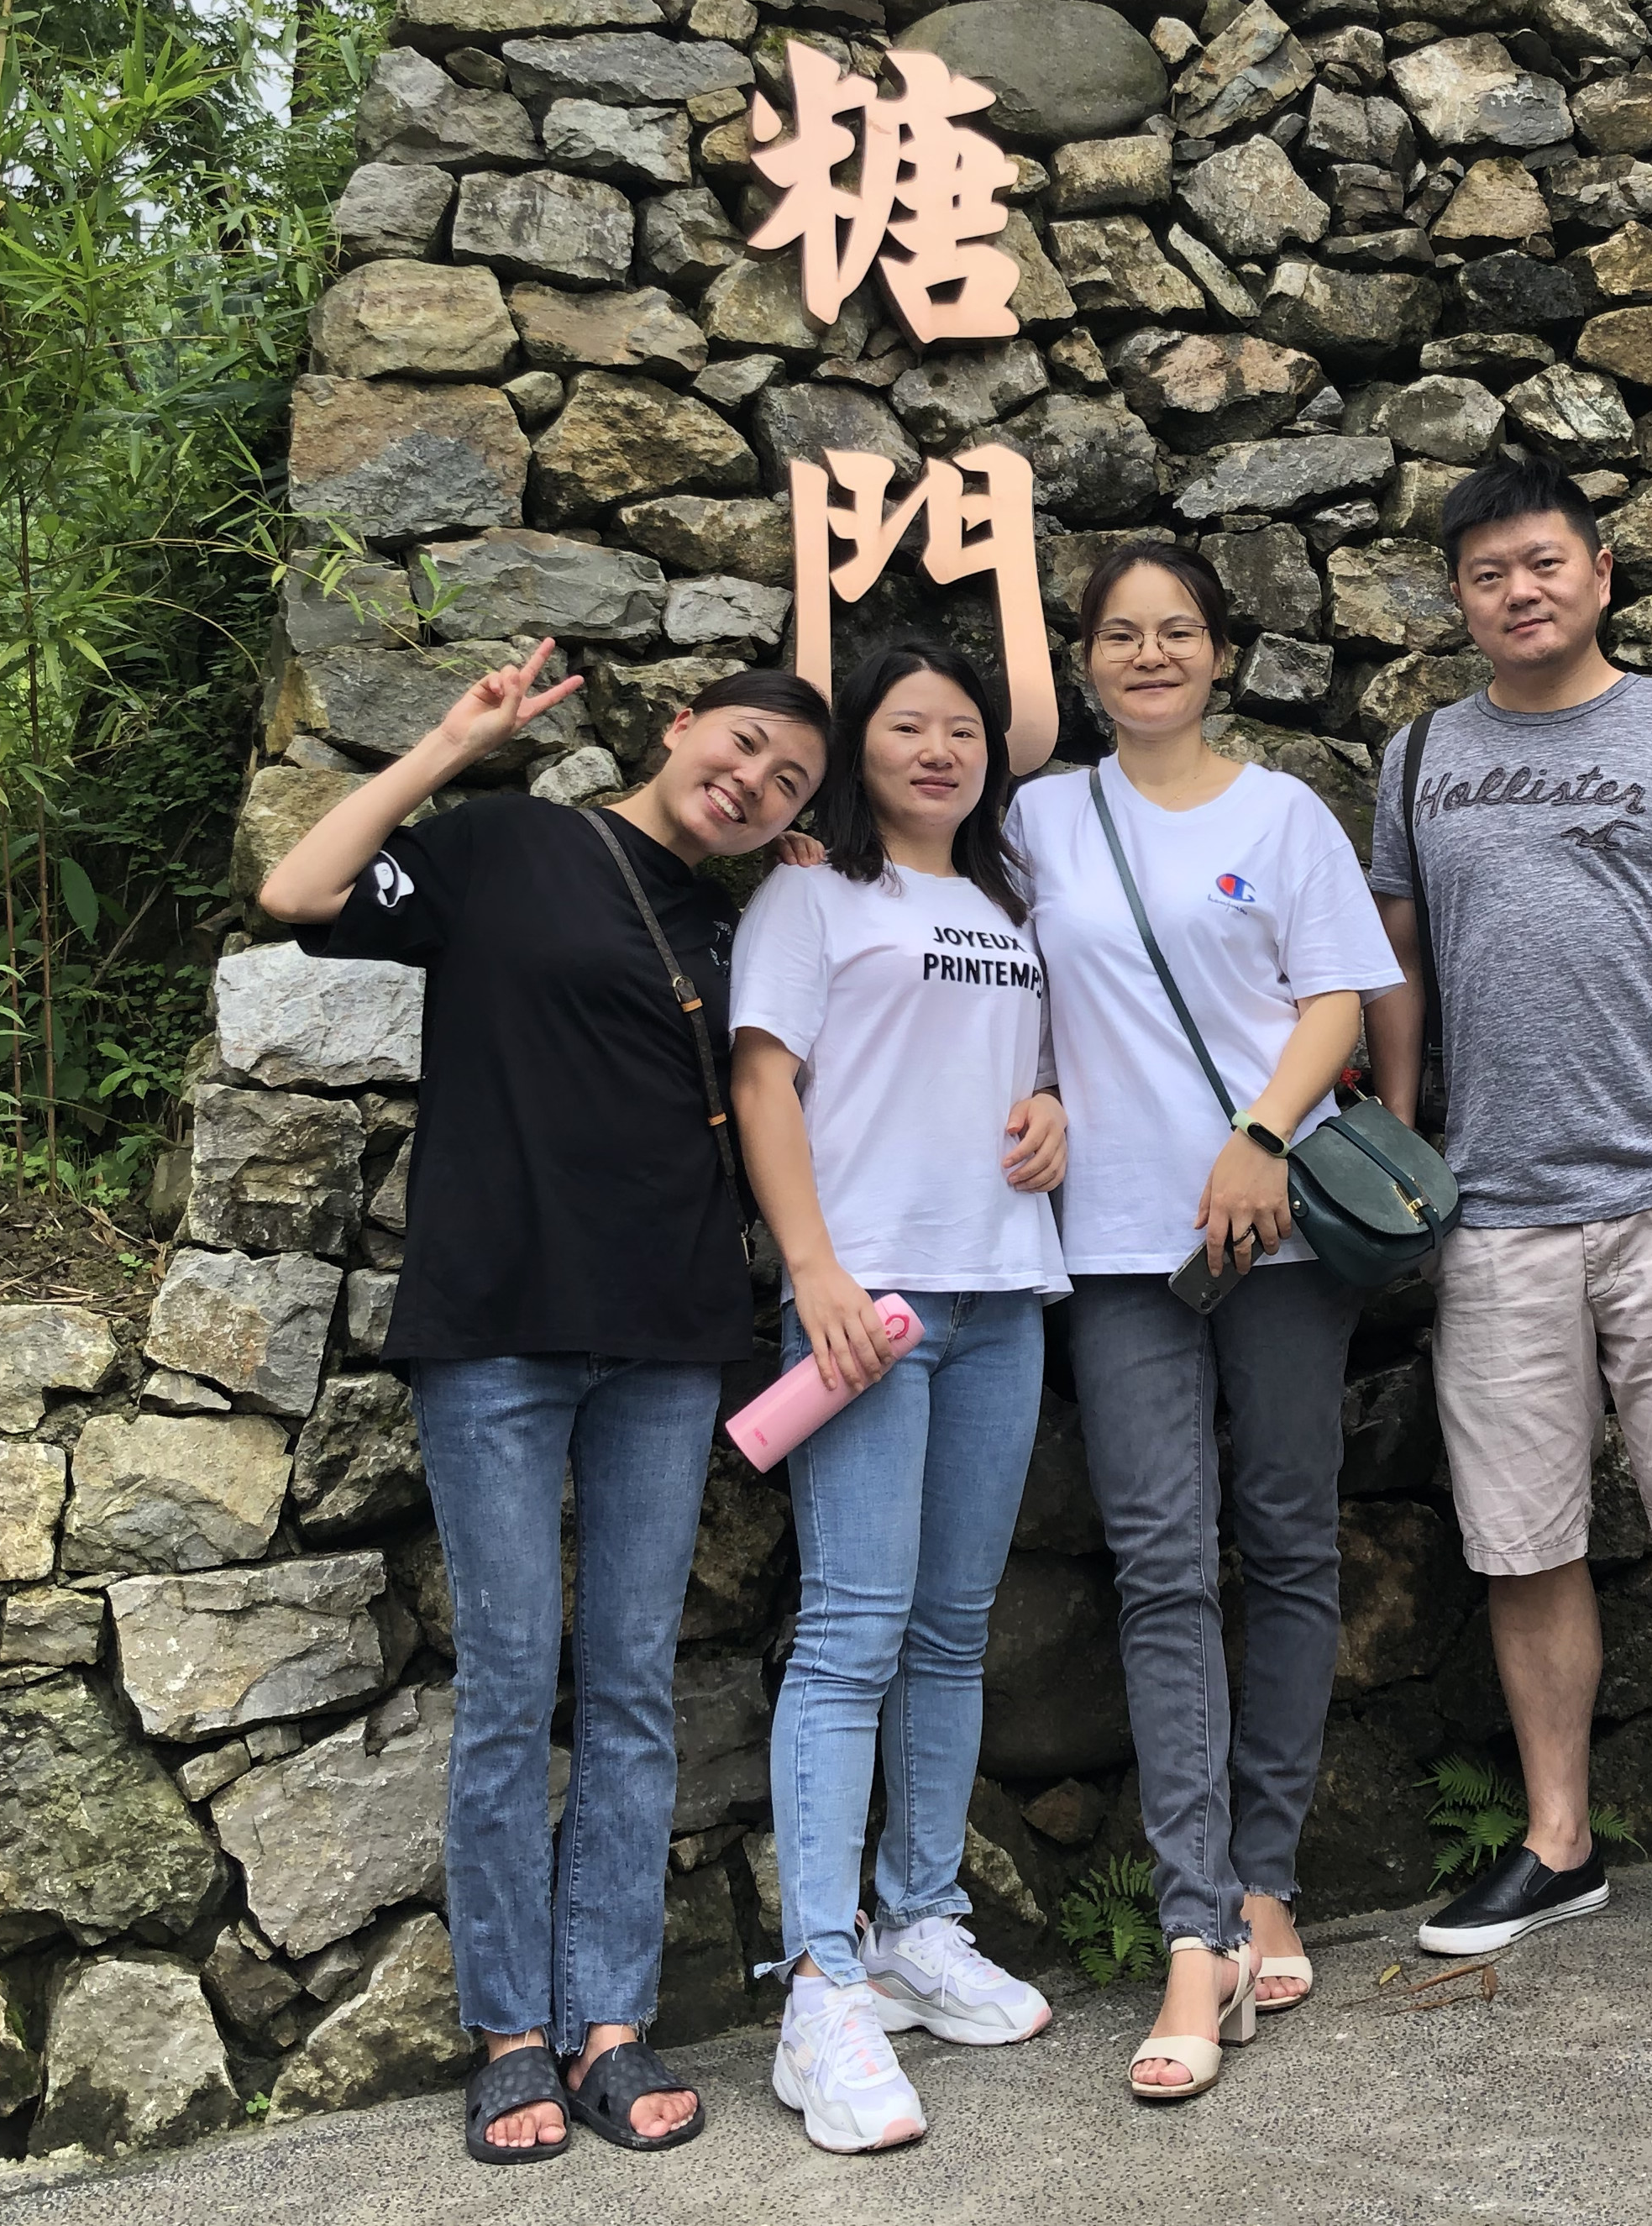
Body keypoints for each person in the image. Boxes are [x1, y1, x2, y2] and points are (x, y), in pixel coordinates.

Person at [258, 652, 833, 2162]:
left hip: (665, 1335)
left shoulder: (751, 924)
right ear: (680, 726)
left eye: (787, 784)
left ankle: (609, 2021)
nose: (753, 784)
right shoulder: (512, 842)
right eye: (744, 747)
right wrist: (450, 745)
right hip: (498, 1325)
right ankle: (511, 2029)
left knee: (633, 1685)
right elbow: (300, 892)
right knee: (511, 1683)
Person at [1366, 454, 1652, 1975]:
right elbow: (1397, 963)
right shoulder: (1420, 754)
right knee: (1521, 1539)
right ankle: (1558, 1841)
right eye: (1487, 572)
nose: (1520, 590)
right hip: (1494, 1208)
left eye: (1544, 561)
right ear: (1456, 597)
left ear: (1601, 571)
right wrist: (1403, 1141)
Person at [1005, 543, 1406, 2099]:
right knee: (1162, 1562)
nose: (1150, 654)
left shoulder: (1280, 812)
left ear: (1221, 654)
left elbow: (1337, 998)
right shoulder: (1038, 819)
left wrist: (1256, 1134)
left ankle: (1264, 1875)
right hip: (1117, 1241)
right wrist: (1041, 1092)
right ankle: (1197, 1927)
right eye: (1121, 633)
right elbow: (1009, 992)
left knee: (1290, 1542)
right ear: (1085, 662)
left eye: (1178, 631)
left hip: (1281, 1228)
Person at [730, 643, 1069, 2154]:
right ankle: (819, 1981)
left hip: (1003, 1290)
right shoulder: (807, 898)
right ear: (857, 750)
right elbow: (762, 1082)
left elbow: (1036, 1074)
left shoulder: (1011, 902)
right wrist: (810, 1268)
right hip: (866, 1305)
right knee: (852, 1630)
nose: (938, 749)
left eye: (962, 729)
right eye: (905, 726)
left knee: (950, 1628)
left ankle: (919, 1921)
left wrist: (1054, 1109)